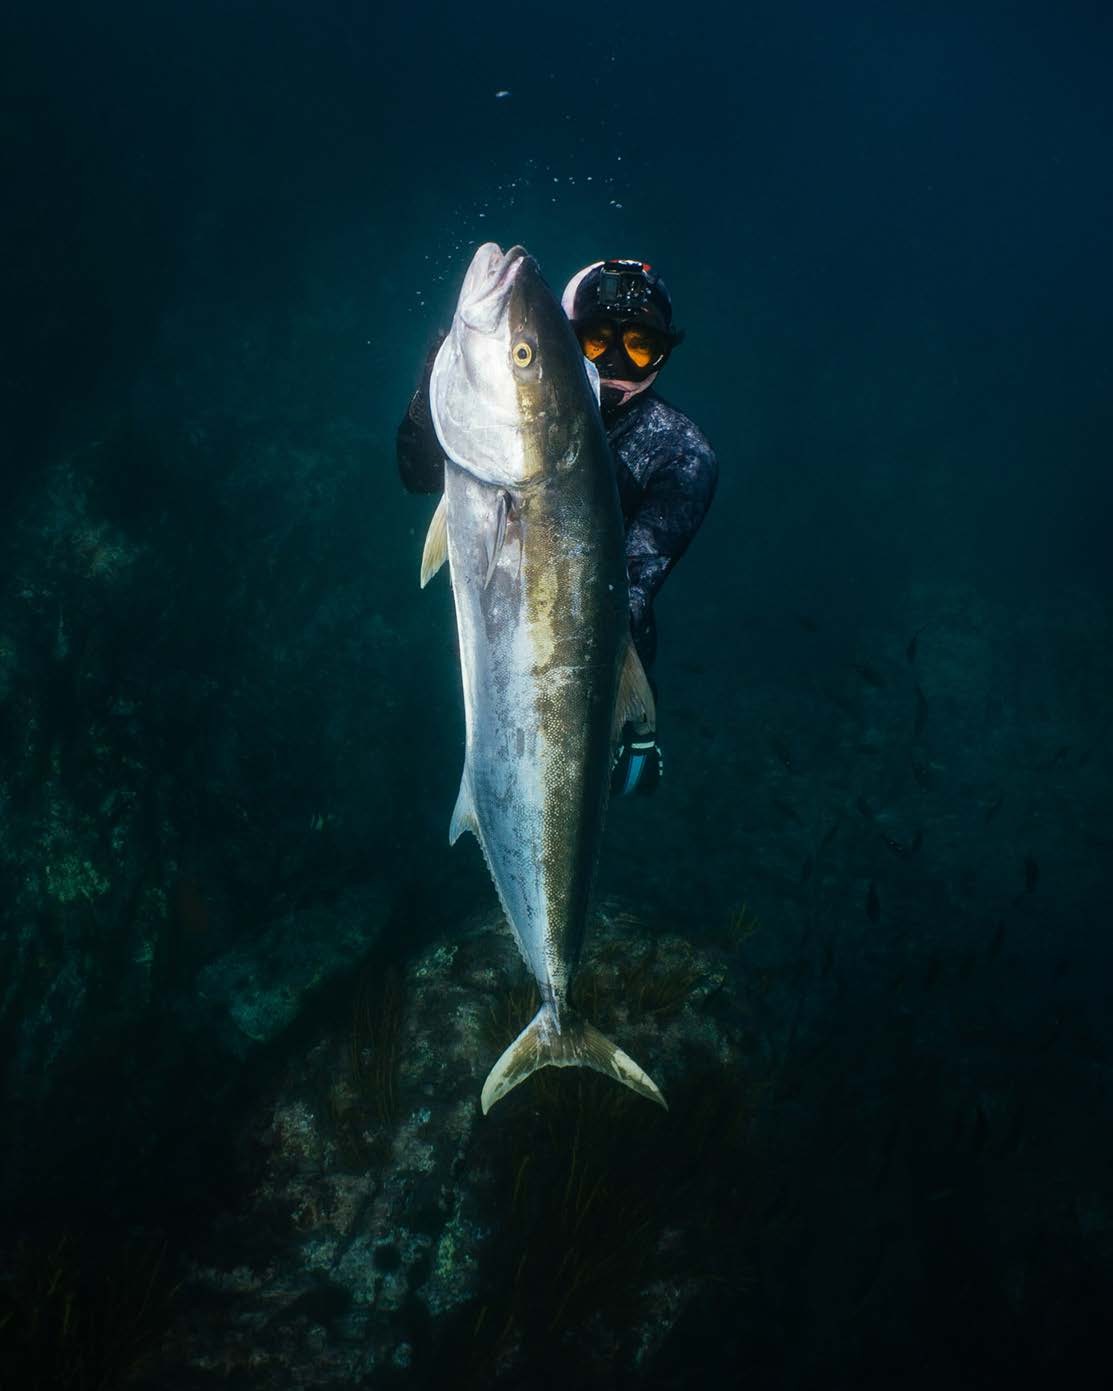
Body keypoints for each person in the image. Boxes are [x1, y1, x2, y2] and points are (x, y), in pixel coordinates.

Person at [397, 257, 717, 795]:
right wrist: (433, 397)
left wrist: (614, 711)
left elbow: (629, 589)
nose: (615, 361)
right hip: (461, 620)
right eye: (595, 339)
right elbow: (416, 477)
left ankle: (632, 734)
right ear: (569, 339)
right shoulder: (511, 398)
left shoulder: (680, 454)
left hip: (582, 656)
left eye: (640, 346)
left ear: (663, 356)